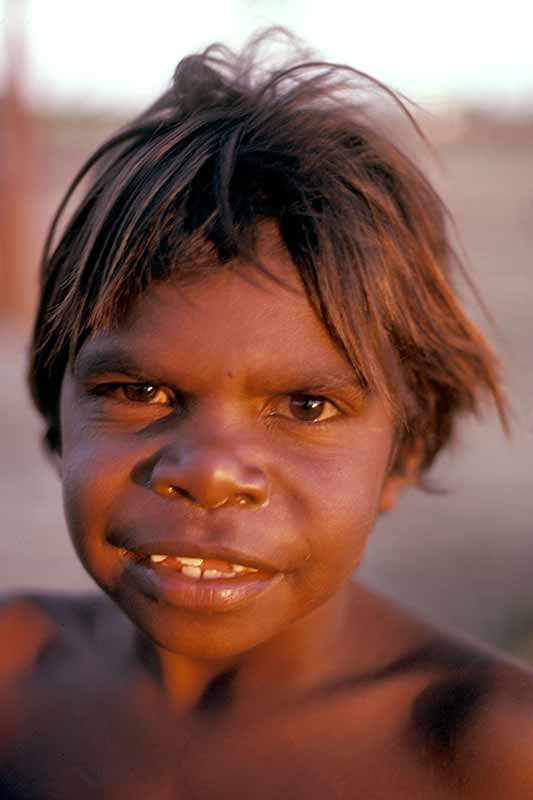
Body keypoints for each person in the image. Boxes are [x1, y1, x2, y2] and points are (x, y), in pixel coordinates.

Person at [1, 29, 532, 799]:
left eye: (306, 405)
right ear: (58, 415)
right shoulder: (14, 677)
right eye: (138, 392)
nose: (209, 472)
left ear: (406, 451)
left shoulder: (487, 753)